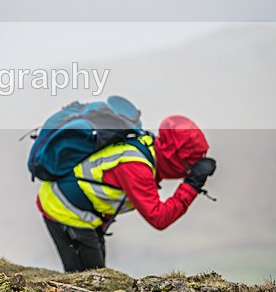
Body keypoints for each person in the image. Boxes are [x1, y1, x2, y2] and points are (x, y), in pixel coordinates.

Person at [37, 115, 217, 272]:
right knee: (89, 281)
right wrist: (192, 184)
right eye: (189, 165)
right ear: (175, 157)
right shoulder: (137, 167)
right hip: (63, 209)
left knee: (93, 278)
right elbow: (159, 218)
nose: (188, 171)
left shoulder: (148, 146)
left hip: (79, 210)